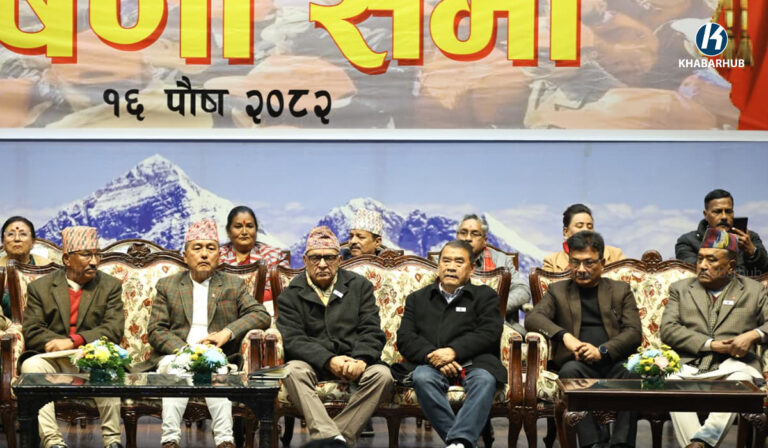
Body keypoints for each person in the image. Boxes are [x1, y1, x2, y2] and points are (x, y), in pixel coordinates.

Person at [145, 218, 271, 448]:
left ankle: (225, 441)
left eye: (211, 248)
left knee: (216, 373)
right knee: (176, 371)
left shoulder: (233, 285)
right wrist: (186, 352)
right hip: (177, 354)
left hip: (217, 356)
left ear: (219, 256)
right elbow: (156, 329)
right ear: (185, 256)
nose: (204, 254)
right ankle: (170, 440)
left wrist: (227, 333)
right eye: (197, 248)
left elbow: (260, 314)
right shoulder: (168, 285)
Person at [276, 226, 394, 446]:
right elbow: (293, 339)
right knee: (292, 371)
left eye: (329, 258)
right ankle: (335, 440)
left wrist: (361, 360)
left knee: (382, 375)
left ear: (339, 260)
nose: (322, 264)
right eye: (315, 258)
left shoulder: (359, 286)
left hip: (354, 361)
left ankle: (332, 439)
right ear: (305, 260)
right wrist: (329, 360)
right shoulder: (291, 294)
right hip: (313, 363)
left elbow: (371, 330)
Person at [526, 231, 641, 448]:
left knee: (633, 373)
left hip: (614, 362)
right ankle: (592, 444)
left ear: (602, 263)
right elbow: (533, 318)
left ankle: (621, 444)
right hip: (578, 365)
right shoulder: (558, 291)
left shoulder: (620, 290)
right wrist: (565, 336)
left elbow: (634, 332)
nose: (580, 269)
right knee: (569, 372)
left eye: (588, 263)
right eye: (575, 262)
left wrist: (602, 351)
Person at [662, 228, 768, 448]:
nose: (702, 265)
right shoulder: (680, 289)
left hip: (735, 365)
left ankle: (701, 441)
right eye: (700, 258)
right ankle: (700, 444)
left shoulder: (754, 290)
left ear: (730, 266)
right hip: (689, 365)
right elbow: (668, 329)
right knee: (670, 380)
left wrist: (753, 335)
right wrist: (711, 345)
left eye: (711, 260)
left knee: (741, 382)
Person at [394, 239, 505, 448]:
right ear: (438, 265)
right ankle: (461, 442)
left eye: (458, 262)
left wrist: (454, 351)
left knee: (484, 380)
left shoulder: (485, 296)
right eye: (446, 261)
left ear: (472, 268)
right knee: (422, 377)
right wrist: (435, 356)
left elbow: (489, 332)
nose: (451, 267)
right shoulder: (418, 299)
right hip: (430, 363)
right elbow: (406, 338)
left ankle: (457, 442)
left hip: (474, 363)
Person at [20, 226, 124, 448]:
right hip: (55, 359)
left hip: (93, 358)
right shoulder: (40, 288)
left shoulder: (110, 286)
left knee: (109, 370)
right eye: (86, 255)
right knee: (31, 366)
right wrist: (58, 345)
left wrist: (74, 341)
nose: (94, 262)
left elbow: (113, 329)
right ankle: (53, 442)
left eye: (97, 255)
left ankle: (113, 442)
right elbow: (33, 329)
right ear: (67, 259)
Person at [456, 214, 531, 334]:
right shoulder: (444, 260)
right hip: (455, 320)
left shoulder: (501, 260)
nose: (468, 238)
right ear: (457, 236)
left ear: (485, 240)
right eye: (463, 233)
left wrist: (494, 307)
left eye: (474, 234)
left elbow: (522, 290)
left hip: (497, 320)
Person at [675, 189, 768, 276]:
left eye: (728, 211)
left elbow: (765, 270)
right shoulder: (687, 242)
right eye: (717, 212)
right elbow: (697, 272)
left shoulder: (749, 238)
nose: (724, 217)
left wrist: (752, 252)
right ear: (706, 215)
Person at [219, 205, 289, 312]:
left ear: (256, 230)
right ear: (228, 231)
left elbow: (284, 288)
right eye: (238, 226)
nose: (244, 232)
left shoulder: (273, 255)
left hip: (265, 311)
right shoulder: (218, 256)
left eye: (249, 226)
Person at [542, 204, 625, 272]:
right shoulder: (551, 262)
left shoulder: (615, 255)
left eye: (590, 226)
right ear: (565, 231)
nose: (586, 230)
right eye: (579, 226)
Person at [0, 216, 51, 318]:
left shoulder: (48, 268)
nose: (17, 239)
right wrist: (9, 326)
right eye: (10, 234)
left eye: (23, 234)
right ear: (3, 242)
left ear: (33, 242)